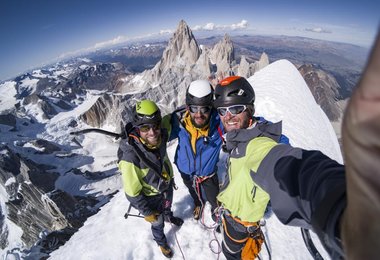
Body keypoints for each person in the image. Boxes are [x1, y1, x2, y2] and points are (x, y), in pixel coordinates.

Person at [214, 30, 380, 260]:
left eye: (236, 109)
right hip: (231, 218)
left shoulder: (258, 146)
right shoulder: (239, 137)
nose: (228, 116)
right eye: (222, 111)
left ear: (250, 109)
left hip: (239, 230)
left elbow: (292, 167)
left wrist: (338, 205)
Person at [117, 100, 183, 259]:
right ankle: (161, 242)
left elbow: (169, 120)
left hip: (165, 187)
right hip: (151, 198)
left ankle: (168, 215)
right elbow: (132, 193)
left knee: (167, 207)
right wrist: (147, 212)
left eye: (155, 125)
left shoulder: (161, 135)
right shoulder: (130, 158)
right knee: (157, 223)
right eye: (145, 128)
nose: (152, 132)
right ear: (137, 128)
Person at [162, 80, 223, 222]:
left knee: (214, 197)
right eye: (194, 108)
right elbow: (157, 134)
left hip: (208, 173)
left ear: (212, 107)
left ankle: (216, 211)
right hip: (185, 170)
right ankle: (198, 203)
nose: (199, 114)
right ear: (187, 107)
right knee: (193, 191)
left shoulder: (220, 123)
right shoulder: (178, 121)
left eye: (205, 109)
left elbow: (243, 123)